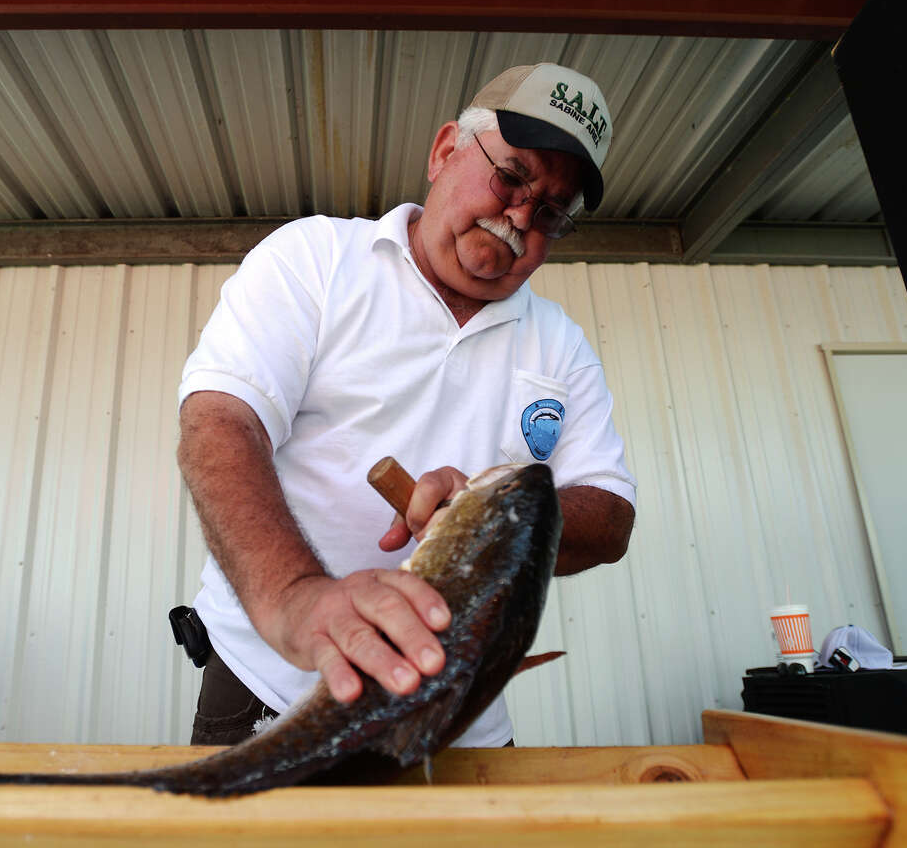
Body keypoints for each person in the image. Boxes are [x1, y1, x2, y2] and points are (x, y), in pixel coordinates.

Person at [177, 63, 637, 748]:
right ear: (445, 149)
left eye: (549, 212)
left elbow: (611, 516)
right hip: (277, 688)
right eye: (511, 176)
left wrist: (502, 504)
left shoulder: (559, 346)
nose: (518, 216)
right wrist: (299, 600)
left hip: (462, 715)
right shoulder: (317, 259)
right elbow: (218, 425)